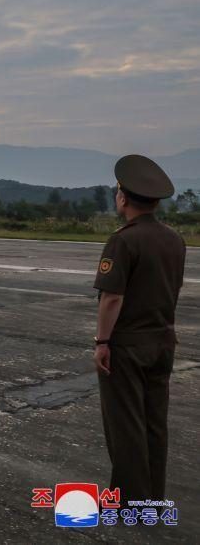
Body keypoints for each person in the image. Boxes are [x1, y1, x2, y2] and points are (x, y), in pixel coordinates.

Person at [93, 155, 184, 504]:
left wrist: (102, 342)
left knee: (125, 422)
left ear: (123, 197)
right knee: (154, 422)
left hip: (128, 345)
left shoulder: (123, 240)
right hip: (162, 340)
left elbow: (112, 297)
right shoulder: (174, 239)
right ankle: (152, 496)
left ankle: (130, 498)